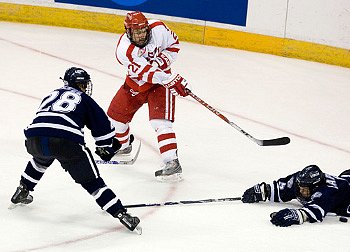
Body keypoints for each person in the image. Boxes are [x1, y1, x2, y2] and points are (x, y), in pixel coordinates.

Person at [10, 67, 141, 234]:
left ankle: (23, 189)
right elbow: (103, 130)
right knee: (93, 183)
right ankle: (122, 214)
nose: (85, 87)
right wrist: (108, 147)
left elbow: (45, 120)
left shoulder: (51, 95)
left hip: (33, 138)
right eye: (83, 84)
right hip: (66, 142)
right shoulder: (85, 99)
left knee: (40, 159)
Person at [107, 11, 189, 182]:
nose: (142, 34)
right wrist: (170, 79)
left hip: (160, 85)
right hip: (137, 82)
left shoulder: (158, 28)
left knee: (160, 123)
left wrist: (161, 63)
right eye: (137, 32)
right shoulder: (125, 50)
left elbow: (174, 46)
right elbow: (146, 73)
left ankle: (171, 162)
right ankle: (123, 146)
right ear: (128, 31)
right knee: (115, 117)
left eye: (144, 30)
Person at [241, 165, 350, 227]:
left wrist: (296, 215)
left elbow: (314, 210)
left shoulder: (328, 191)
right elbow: (283, 188)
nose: (301, 191)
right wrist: (264, 191)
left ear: (315, 186)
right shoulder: (301, 179)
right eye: (300, 187)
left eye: (305, 189)